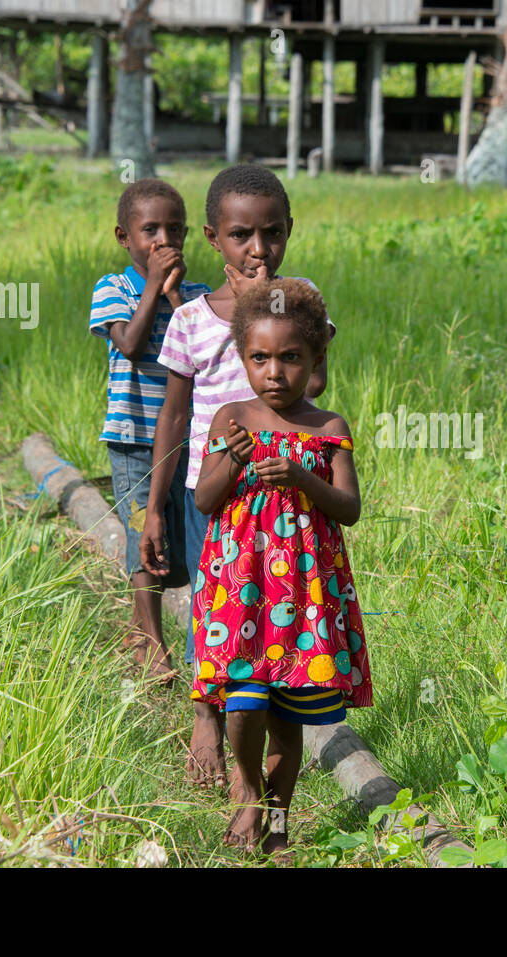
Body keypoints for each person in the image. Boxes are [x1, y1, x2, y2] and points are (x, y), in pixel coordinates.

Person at [141, 165, 336, 788]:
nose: (259, 250)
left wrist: (271, 314)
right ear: (213, 238)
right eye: (241, 236)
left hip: (285, 493)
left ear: (288, 232)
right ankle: (207, 710)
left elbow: (320, 385)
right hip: (215, 487)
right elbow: (173, 415)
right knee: (210, 597)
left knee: (272, 605)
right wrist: (152, 506)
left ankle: (271, 707)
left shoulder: (301, 299)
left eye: (272, 234)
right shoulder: (192, 319)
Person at [192, 277, 370, 857]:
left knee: (288, 717)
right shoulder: (231, 420)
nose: (274, 372)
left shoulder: (328, 429)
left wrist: (301, 477)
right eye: (259, 358)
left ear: (316, 358)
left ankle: (279, 811)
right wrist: (231, 464)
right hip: (242, 587)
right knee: (244, 701)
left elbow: (349, 509)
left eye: (290, 358)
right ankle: (247, 790)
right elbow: (204, 500)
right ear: (241, 357)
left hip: (305, 590)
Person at [89, 178, 210, 683]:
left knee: (181, 539)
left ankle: (144, 630)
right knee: (145, 532)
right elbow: (133, 345)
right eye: (150, 230)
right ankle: (151, 639)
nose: (164, 240)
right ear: (124, 236)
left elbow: (196, 347)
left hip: (188, 436)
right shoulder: (112, 289)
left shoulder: (197, 297)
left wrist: (175, 293)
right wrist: (151, 293)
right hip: (136, 436)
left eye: (175, 229)